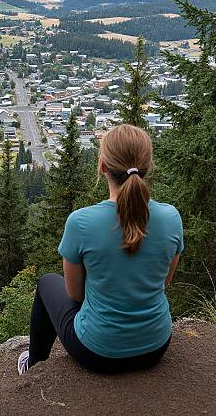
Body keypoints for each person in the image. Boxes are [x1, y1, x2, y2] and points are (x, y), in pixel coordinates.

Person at [17, 124, 184, 375]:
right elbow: (164, 282)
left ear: (103, 166)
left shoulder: (81, 222)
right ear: (148, 167)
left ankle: (34, 364)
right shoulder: (171, 217)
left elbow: (75, 296)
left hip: (98, 352)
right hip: (155, 346)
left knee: (47, 283)